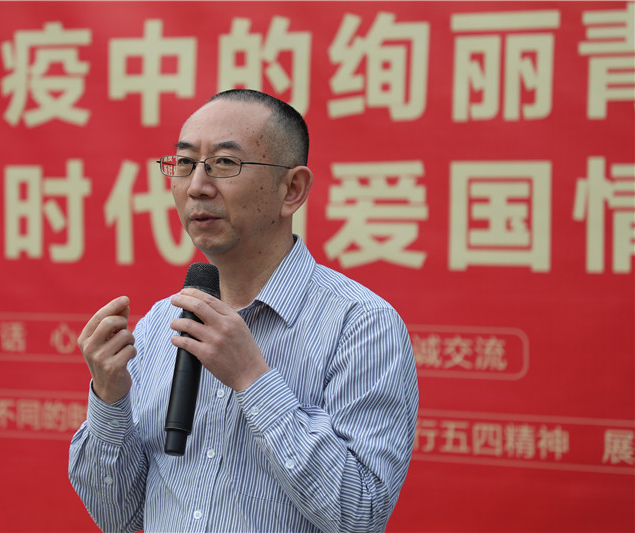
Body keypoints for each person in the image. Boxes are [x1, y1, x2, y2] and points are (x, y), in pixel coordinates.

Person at [69, 89, 418, 532]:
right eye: (185, 163)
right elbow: (117, 517)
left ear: (292, 190)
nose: (197, 186)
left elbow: (361, 515)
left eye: (224, 163)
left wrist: (253, 380)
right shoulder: (161, 325)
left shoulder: (362, 325)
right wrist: (110, 397)